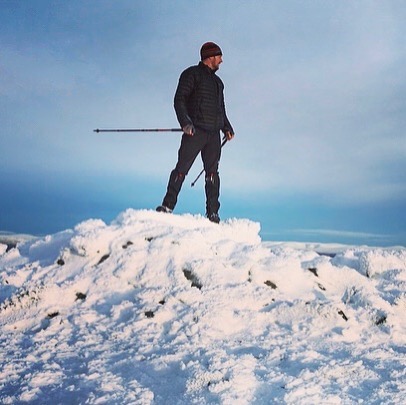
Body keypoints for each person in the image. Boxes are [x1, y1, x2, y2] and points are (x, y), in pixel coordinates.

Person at [156, 42, 235, 223]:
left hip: (214, 134)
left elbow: (220, 109)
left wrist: (227, 127)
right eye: (219, 56)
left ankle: (213, 213)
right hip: (195, 132)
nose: (221, 60)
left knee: (212, 173)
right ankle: (167, 206)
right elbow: (179, 99)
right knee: (182, 169)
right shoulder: (191, 74)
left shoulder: (218, 83)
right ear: (210, 57)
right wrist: (185, 123)